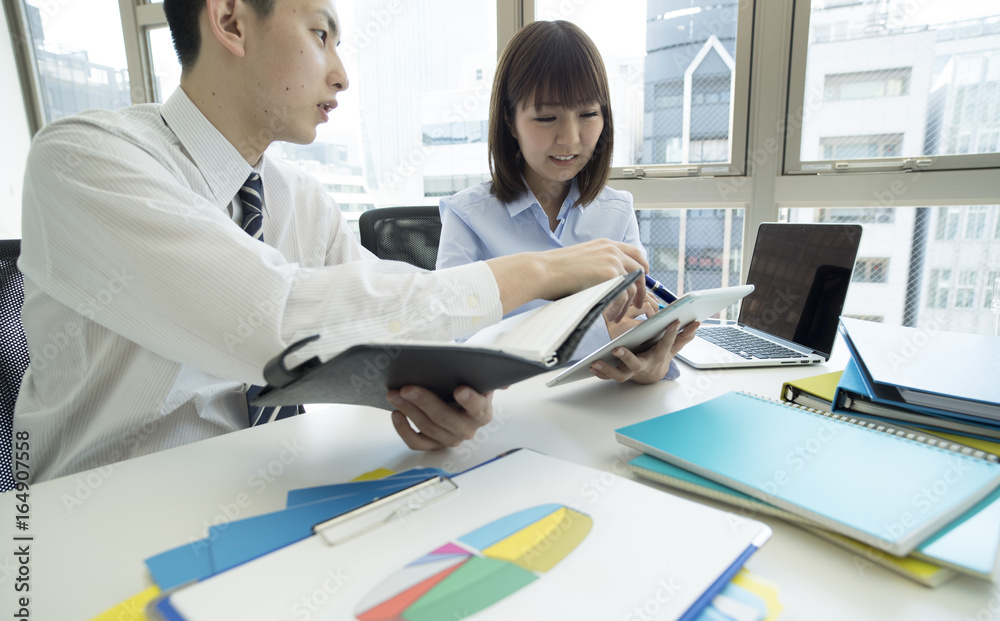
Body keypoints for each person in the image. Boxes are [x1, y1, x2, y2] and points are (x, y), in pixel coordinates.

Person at [13, 0, 650, 482]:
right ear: (232, 20)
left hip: (274, 483)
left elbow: (389, 332)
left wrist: (442, 397)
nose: (342, 75)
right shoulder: (84, 159)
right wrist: (540, 272)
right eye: (321, 35)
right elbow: (275, 320)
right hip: (100, 510)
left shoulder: (299, 200)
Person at [438, 20, 697, 384]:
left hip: (598, 407)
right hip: (508, 417)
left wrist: (651, 364)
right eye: (546, 117)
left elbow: (635, 320)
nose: (570, 139)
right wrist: (595, 334)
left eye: (589, 114)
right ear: (510, 121)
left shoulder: (617, 211)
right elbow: (455, 345)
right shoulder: (467, 216)